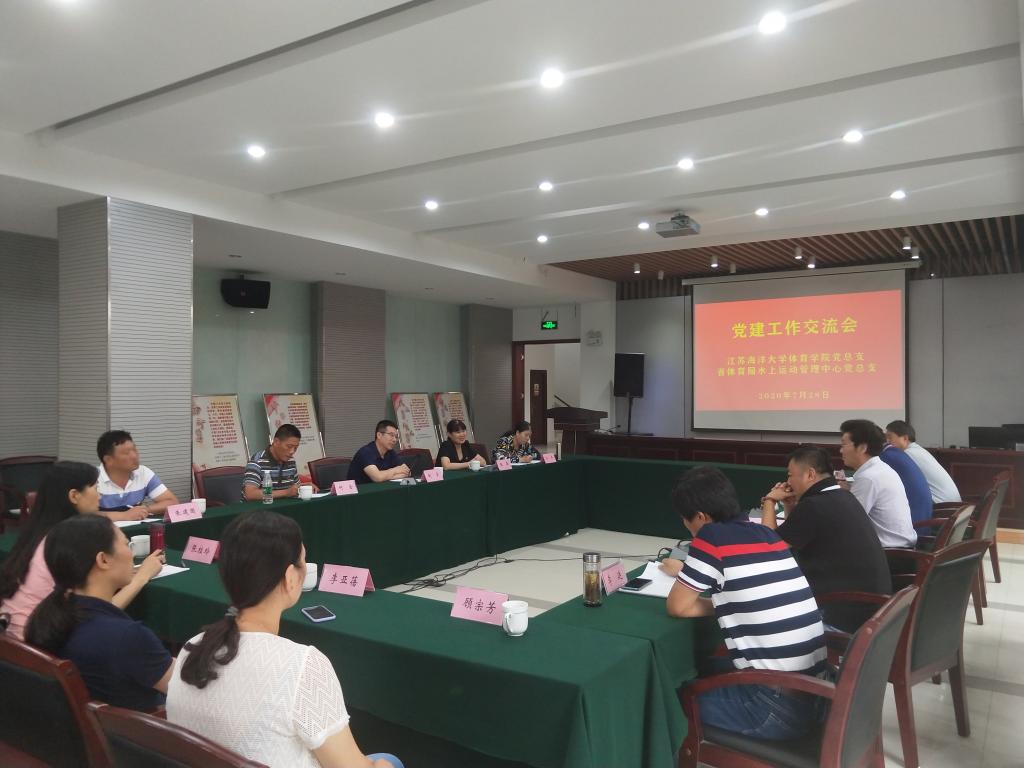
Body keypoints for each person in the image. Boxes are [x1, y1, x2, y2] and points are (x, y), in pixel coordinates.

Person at [167, 511, 402, 768]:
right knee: (389, 761)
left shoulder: (192, 648)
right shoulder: (302, 667)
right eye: (303, 560)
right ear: (290, 578)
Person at [662, 466, 826, 741]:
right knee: (707, 665)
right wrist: (734, 604)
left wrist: (721, 603)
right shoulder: (766, 534)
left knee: (667, 700)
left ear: (700, 517)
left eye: (685, 519)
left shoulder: (711, 538)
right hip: (816, 693)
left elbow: (677, 607)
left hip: (772, 706)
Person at [0, 461, 164, 641]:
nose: (100, 495)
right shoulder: (67, 541)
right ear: (74, 495)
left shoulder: (39, 532)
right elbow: (98, 613)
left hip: (12, 639)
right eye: (95, 488)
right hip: (38, 643)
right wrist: (142, 577)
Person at [24, 514, 172, 711]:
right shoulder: (127, 637)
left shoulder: (45, 619)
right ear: (103, 560)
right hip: (138, 727)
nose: (131, 553)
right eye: (126, 545)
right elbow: (188, 689)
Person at [760, 445, 892, 632]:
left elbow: (769, 546)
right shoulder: (843, 496)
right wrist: (790, 506)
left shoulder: (814, 505)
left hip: (845, 615)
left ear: (810, 474)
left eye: (790, 475)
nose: (788, 481)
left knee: (768, 610)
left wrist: (769, 501)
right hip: (874, 609)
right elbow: (794, 536)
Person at [838, 419, 917, 548]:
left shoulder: (868, 478)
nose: (840, 451)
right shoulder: (879, 468)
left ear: (862, 448)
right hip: (900, 546)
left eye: (844, 445)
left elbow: (846, 522)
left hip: (891, 552)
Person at [97, 430, 179, 522]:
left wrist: (143, 510)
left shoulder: (143, 472)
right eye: (126, 453)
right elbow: (85, 515)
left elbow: (172, 502)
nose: (134, 456)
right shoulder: (92, 478)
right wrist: (124, 515)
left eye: (134, 450)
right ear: (108, 460)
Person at [885, 420, 962, 504]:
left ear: (905, 438)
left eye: (890, 437)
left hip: (943, 506)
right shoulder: (917, 450)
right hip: (954, 504)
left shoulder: (908, 455)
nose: (887, 441)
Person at [243, 423, 302, 501]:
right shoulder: (257, 461)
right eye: (289, 446)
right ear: (276, 442)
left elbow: (294, 488)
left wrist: (305, 487)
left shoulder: (291, 461)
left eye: (295, 448)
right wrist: (285, 492)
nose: (292, 451)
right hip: (261, 507)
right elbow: (250, 494)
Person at [347, 420, 410, 484]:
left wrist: (385, 476)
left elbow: (407, 472)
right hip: (359, 489)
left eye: (396, 437)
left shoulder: (390, 452)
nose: (394, 440)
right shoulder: (365, 452)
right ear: (379, 435)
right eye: (391, 435)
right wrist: (396, 470)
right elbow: (378, 478)